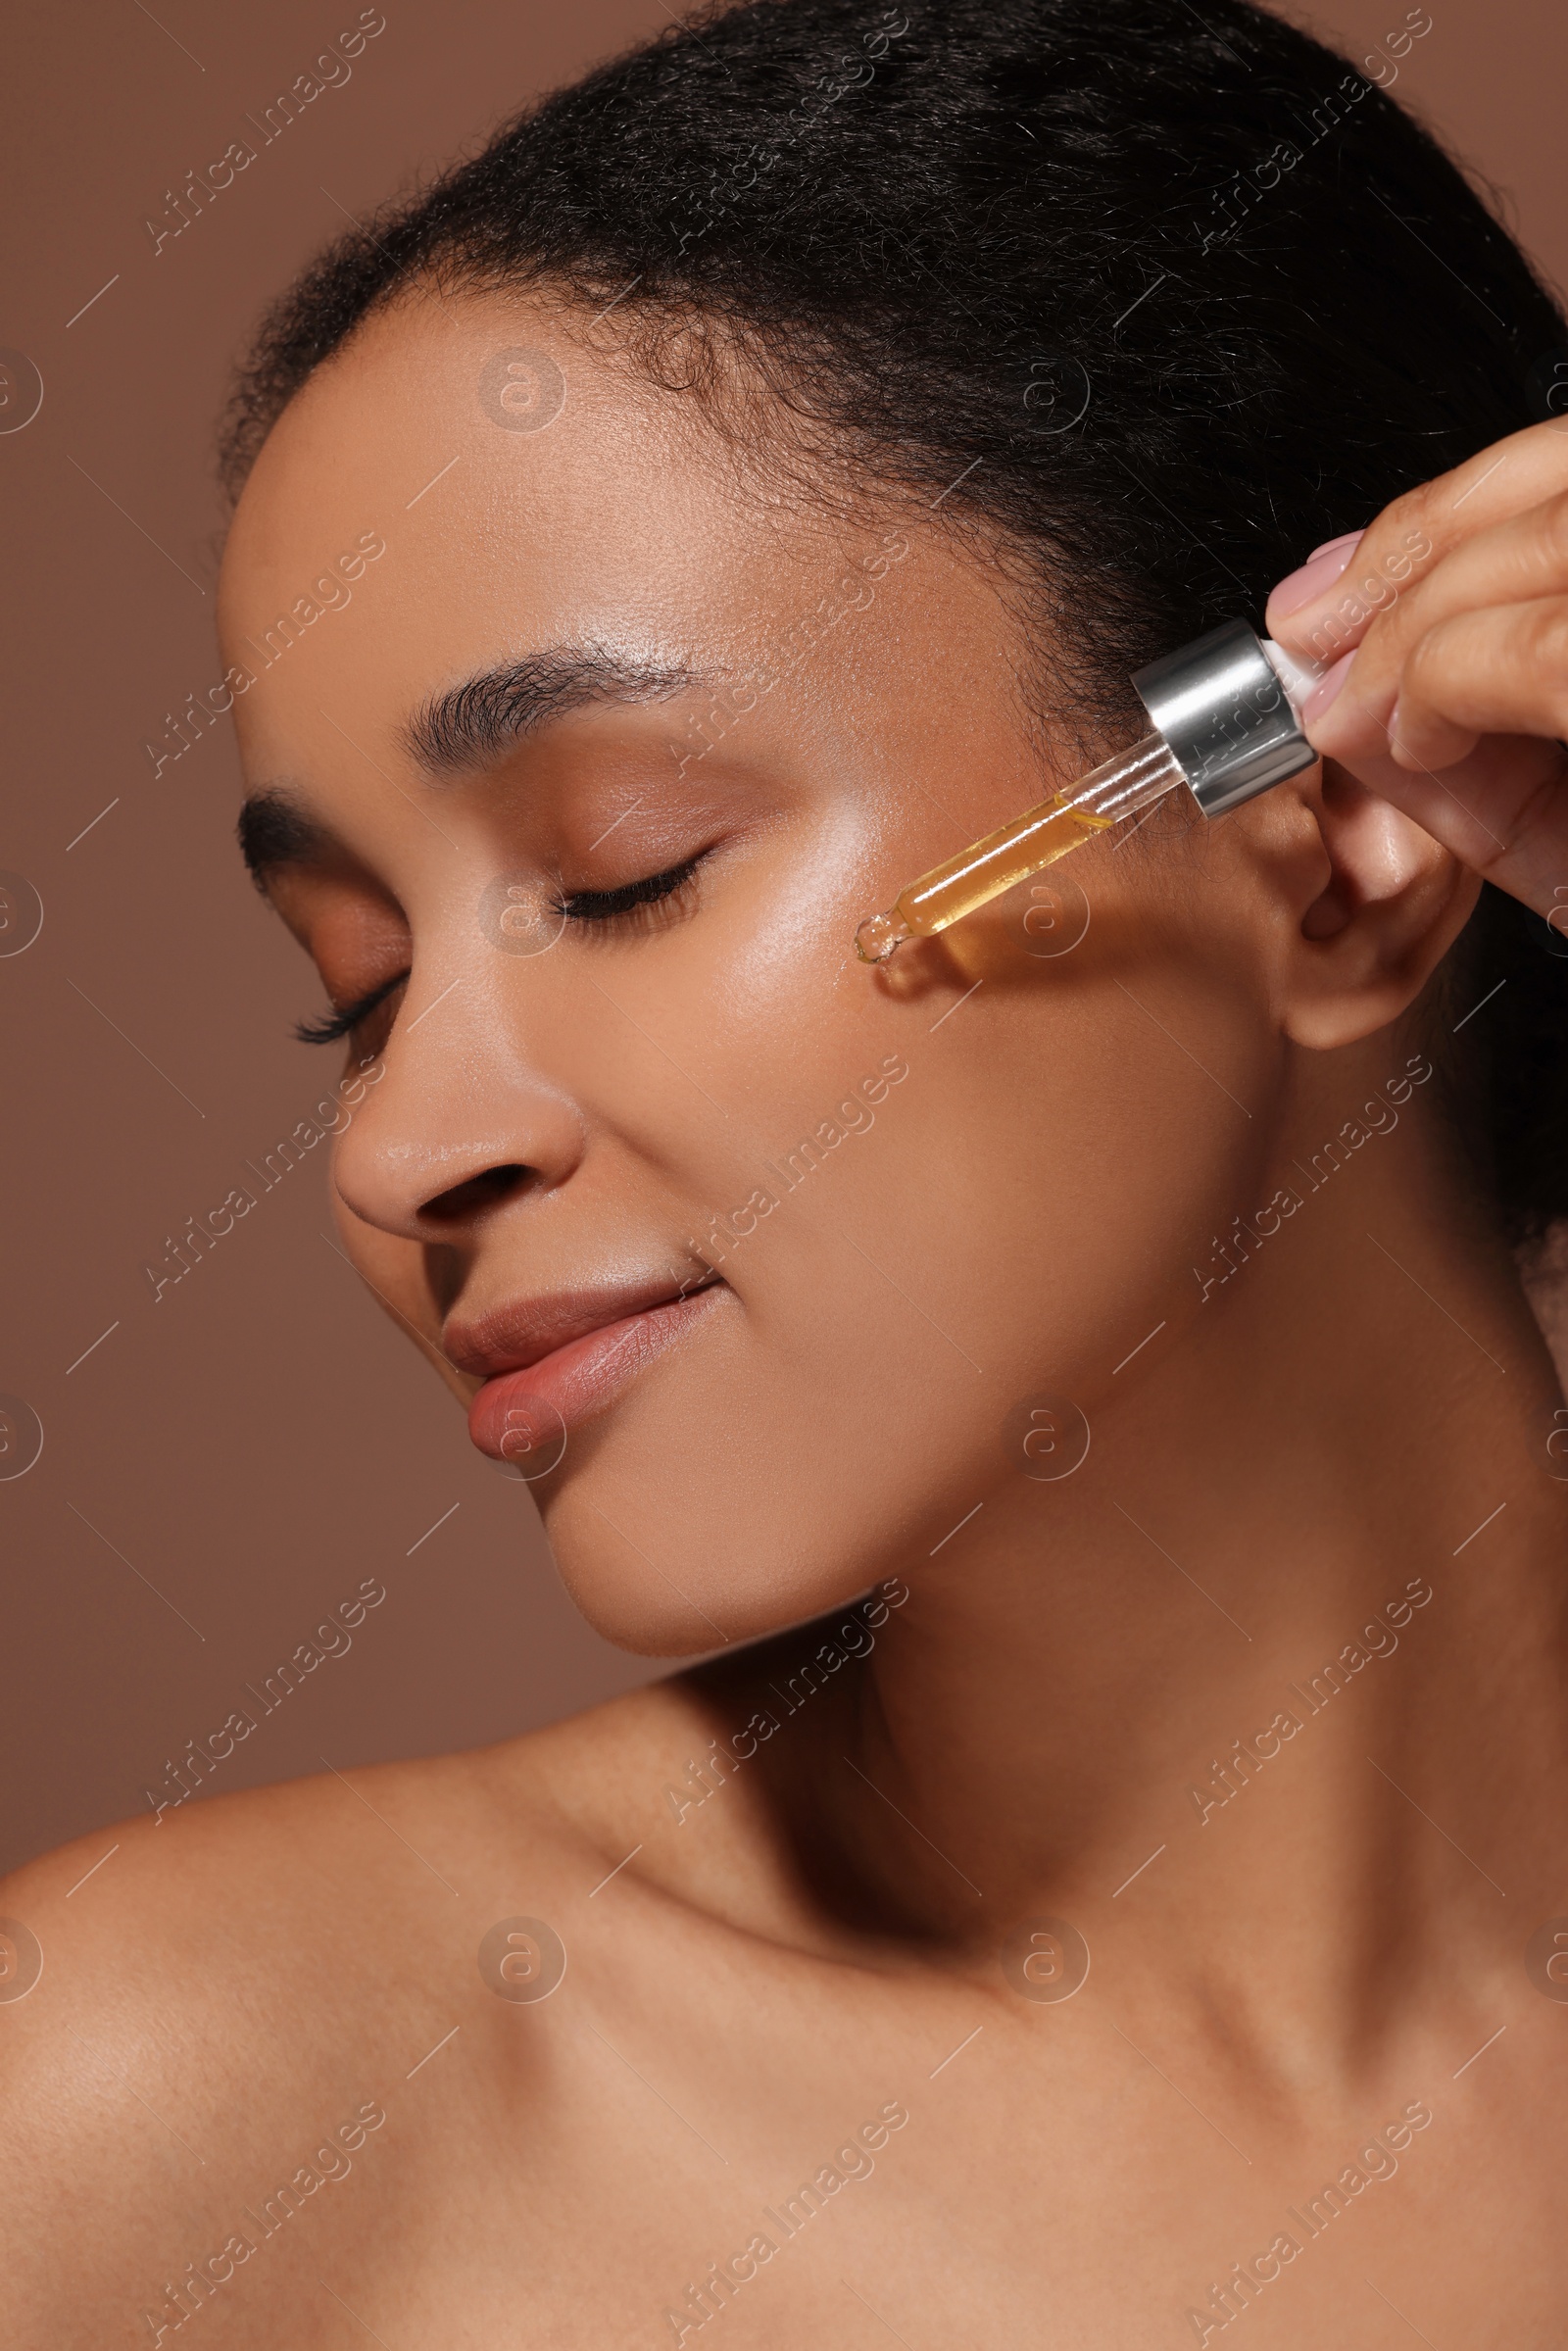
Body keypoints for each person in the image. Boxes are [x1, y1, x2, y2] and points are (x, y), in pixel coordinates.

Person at [6, 0, 1568, 2342]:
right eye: (350, 983)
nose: (403, 1145)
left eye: (624, 872)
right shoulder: (172, 2109)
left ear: (1338, 839)